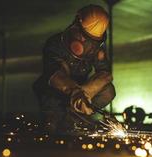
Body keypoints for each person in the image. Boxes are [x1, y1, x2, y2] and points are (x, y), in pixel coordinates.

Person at [33, 4, 116, 134]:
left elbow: (105, 75)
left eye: (92, 41)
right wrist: (76, 92)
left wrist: (87, 92)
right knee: (50, 128)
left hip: (80, 93)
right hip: (54, 94)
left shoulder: (96, 50)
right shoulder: (54, 44)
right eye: (84, 37)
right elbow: (56, 75)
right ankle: (53, 117)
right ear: (75, 27)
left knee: (108, 91)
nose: (87, 45)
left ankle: (73, 119)